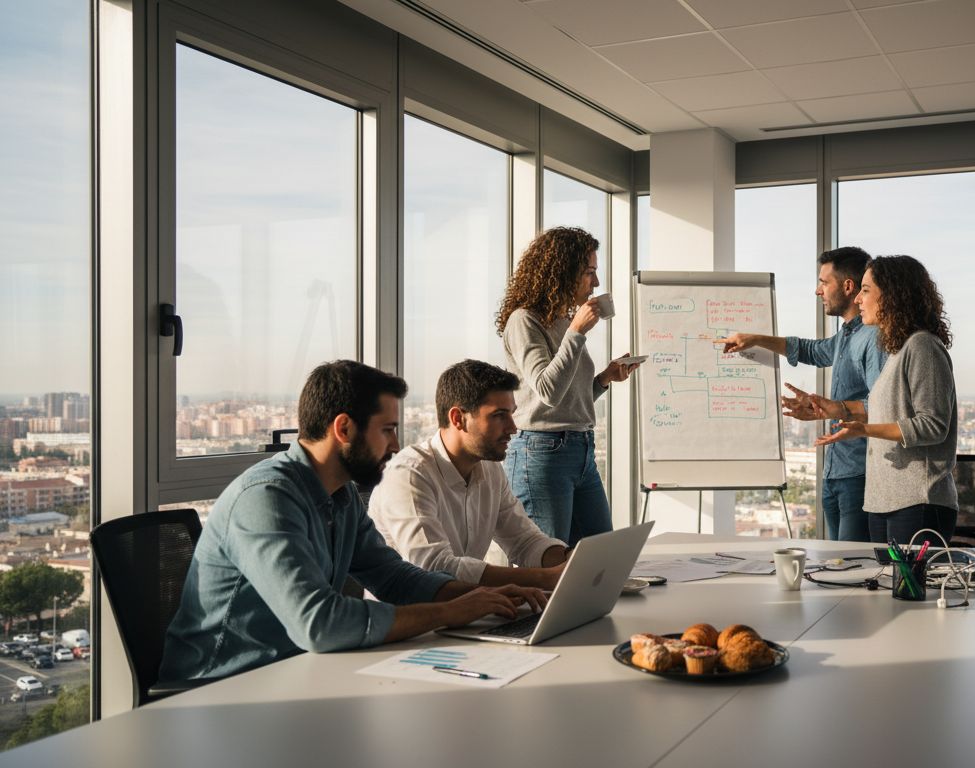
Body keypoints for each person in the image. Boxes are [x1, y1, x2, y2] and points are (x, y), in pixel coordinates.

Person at [161, 360, 547, 682]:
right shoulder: (265, 499)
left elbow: (393, 577)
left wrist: (477, 597)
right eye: (387, 430)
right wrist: (449, 612)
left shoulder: (340, 494)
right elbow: (319, 623)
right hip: (220, 687)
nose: (395, 445)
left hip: (297, 672)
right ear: (344, 429)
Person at [714, 247, 885, 542]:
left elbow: (884, 407)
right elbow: (811, 350)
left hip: (860, 473)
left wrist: (835, 408)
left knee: (852, 563)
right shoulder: (847, 335)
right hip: (836, 472)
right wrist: (755, 339)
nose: (818, 291)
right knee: (837, 562)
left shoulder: (872, 337)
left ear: (848, 286)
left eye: (824, 282)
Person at [368, 359, 569, 589]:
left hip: (470, 606)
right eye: (499, 415)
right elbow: (434, 567)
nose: (513, 428)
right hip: (414, 610)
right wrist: (543, 578)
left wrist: (569, 559)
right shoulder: (409, 474)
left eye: (511, 414)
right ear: (458, 419)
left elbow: (524, 542)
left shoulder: (491, 470)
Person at [496, 226, 640, 545]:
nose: (596, 283)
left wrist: (604, 378)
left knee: (600, 554)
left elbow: (567, 399)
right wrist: (576, 332)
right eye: (589, 272)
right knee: (546, 561)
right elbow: (548, 391)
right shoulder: (524, 320)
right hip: (542, 452)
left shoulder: (562, 320)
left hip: (580, 448)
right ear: (562, 272)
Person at [813, 255, 958, 547]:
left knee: (907, 579)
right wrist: (839, 411)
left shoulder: (922, 346)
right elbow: (890, 413)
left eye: (866, 290)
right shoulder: (896, 352)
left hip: (917, 501)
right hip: (883, 501)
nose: (858, 299)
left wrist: (865, 430)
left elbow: (932, 425)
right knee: (881, 579)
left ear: (893, 296)